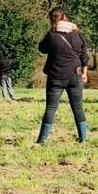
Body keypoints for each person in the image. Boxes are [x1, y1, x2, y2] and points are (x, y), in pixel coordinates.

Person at [36, 8, 89, 144]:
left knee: (51, 108)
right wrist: (84, 73)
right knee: (77, 107)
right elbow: (84, 56)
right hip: (74, 75)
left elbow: (41, 48)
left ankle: (42, 140)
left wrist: (51, 31)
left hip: (56, 77)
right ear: (65, 17)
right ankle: (83, 138)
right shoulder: (77, 35)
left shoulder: (52, 36)